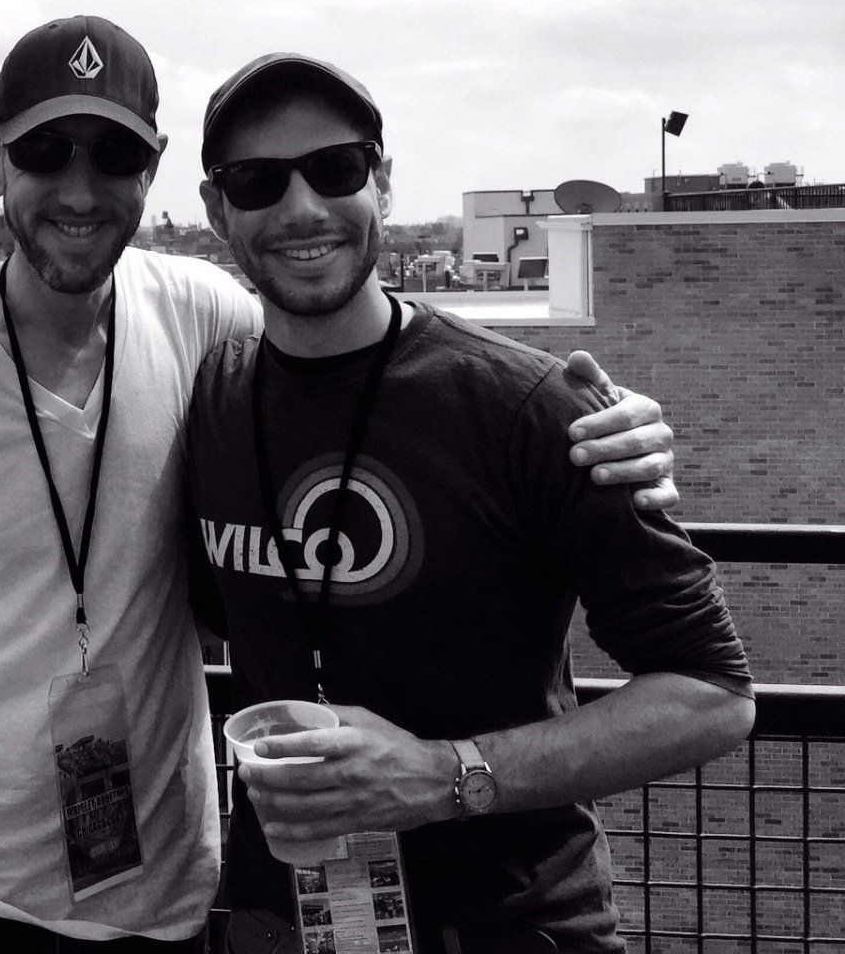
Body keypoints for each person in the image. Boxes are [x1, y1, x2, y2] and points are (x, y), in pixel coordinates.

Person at [0, 17, 677, 954]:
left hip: (165, 892)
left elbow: (350, 327)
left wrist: (579, 408)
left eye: (116, 155)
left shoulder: (202, 316)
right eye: (45, 151)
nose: (81, 189)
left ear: (155, 169)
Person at [186, 54, 752, 954]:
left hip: (505, 921)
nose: (300, 210)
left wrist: (443, 776)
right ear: (218, 213)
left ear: (383, 180)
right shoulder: (213, 396)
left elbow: (712, 695)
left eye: (334, 169)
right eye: (257, 182)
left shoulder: (526, 407)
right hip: (282, 918)